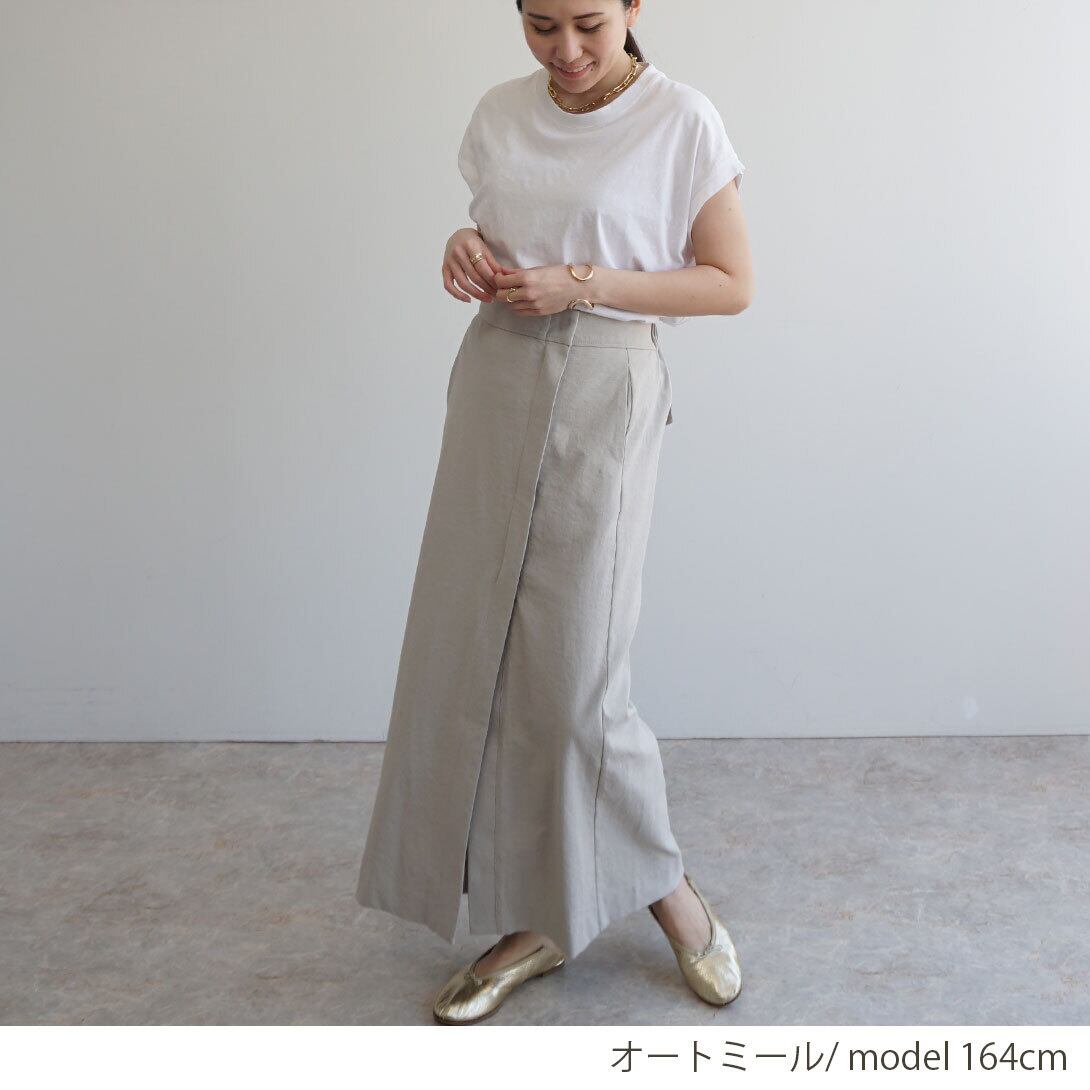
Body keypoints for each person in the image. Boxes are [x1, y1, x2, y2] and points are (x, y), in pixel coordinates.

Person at [355, 0, 754, 1025]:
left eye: (588, 23)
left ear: (633, 8)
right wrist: (464, 246)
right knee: (480, 655)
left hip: (606, 382)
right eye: (540, 26)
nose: (565, 51)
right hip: (495, 372)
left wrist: (581, 282)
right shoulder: (499, 112)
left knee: (579, 680)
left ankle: (666, 888)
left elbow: (729, 283)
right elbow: (504, 234)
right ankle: (537, 917)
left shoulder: (680, 118)